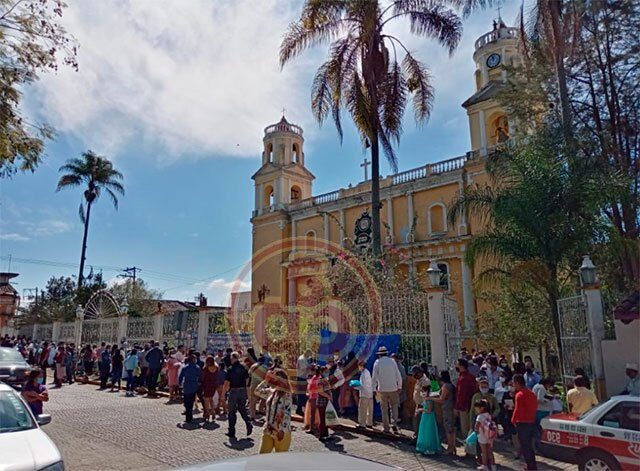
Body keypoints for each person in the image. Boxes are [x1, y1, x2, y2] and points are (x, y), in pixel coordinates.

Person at [256, 368, 293, 453]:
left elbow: (287, 413)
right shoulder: (271, 392)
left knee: (280, 460)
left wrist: (282, 429)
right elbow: (257, 391)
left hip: (281, 431)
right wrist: (265, 380)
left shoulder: (287, 395)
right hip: (268, 430)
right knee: (262, 455)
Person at [371, 346, 402, 434]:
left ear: (379, 355)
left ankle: (386, 427)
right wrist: (399, 386)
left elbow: (374, 377)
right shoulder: (392, 362)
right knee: (394, 406)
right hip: (393, 388)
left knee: (384, 408)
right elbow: (398, 375)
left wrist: (373, 388)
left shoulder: (377, 362)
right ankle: (394, 424)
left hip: (382, 389)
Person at [512, 373, 538, 470]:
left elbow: (517, 409)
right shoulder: (531, 393)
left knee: (525, 446)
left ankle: (530, 466)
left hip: (522, 423)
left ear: (517, 383)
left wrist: (513, 420)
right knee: (529, 446)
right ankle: (532, 465)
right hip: (531, 421)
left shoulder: (519, 395)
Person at [224, 351, 253, 439]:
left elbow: (227, 383)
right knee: (242, 409)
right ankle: (248, 423)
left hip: (233, 391)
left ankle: (231, 431)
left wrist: (224, 393)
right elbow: (247, 381)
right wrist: (248, 394)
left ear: (233, 358)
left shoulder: (230, 369)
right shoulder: (244, 368)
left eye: (231, 358)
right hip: (242, 391)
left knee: (232, 412)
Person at [432, 370, 456, 455]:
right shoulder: (451, 385)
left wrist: (430, 398)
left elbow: (441, 399)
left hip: (447, 409)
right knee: (452, 429)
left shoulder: (445, 386)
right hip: (451, 408)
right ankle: (453, 447)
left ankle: (450, 448)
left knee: (448, 429)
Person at [455, 358, 477, 437]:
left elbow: (461, 394)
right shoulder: (471, 376)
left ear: (461, 366)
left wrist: (458, 407)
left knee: (465, 426)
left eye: (457, 364)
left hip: (464, 405)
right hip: (471, 403)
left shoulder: (463, 378)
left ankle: (469, 443)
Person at [416, 385, 440, 455]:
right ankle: (425, 448)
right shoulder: (426, 399)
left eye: (424, 391)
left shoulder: (428, 399)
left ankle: (429, 448)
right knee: (425, 431)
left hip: (428, 417)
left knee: (428, 431)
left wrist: (421, 410)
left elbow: (429, 410)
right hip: (425, 417)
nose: (422, 393)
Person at [474, 399, 497, 471]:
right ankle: (493, 466)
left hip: (482, 436)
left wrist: (476, 432)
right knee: (490, 451)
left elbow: (476, 426)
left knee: (484, 452)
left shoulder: (480, 417)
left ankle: (485, 466)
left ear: (481, 408)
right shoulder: (488, 415)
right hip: (489, 436)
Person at [179, 354, 201, 424]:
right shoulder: (197, 367)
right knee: (191, 402)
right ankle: (189, 416)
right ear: (194, 360)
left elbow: (181, 377)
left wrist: (179, 383)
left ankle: (188, 415)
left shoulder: (185, 367)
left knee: (186, 401)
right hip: (194, 386)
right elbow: (200, 376)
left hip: (186, 386)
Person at [410, 365, 430, 441]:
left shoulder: (425, 381)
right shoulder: (419, 380)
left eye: (415, 373)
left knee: (418, 422)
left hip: (422, 405)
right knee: (416, 422)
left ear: (420, 372)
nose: (414, 375)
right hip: (418, 404)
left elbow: (425, 394)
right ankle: (417, 437)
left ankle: (418, 438)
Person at [200, 356, 221, 423]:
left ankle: (207, 413)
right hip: (213, 385)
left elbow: (203, 377)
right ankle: (213, 411)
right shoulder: (216, 368)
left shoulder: (206, 368)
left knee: (206, 399)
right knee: (211, 398)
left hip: (207, 385)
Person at [355, 361, 373, 428]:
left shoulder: (363, 374)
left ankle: (362, 424)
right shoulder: (367, 372)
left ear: (361, 366)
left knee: (362, 409)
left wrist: (355, 387)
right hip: (369, 393)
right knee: (369, 409)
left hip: (364, 394)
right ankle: (369, 423)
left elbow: (362, 385)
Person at [295, 349, 311, 415]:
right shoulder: (302, 359)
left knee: (302, 394)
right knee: (301, 394)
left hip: (303, 377)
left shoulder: (304, 358)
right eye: (309, 354)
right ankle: (299, 409)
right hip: (301, 377)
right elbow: (304, 368)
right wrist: (310, 366)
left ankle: (300, 408)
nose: (309, 356)